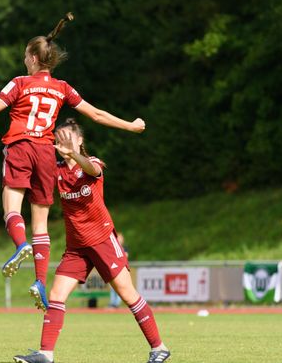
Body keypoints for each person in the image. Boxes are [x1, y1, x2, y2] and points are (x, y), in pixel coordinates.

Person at [0, 13, 145, 312]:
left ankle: (19, 244)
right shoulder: (63, 88)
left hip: (20, 147)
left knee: (11, 210)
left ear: (33, 58)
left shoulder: (19, 83)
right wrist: (130, 125)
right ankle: (39, 280)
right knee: (41, 224)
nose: (24, 59)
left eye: (26, 55)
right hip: (46, 154)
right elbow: (97, 115)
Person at [13, 119, 170, 363]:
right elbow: (34, 172)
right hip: (76, 247)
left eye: (68, 138)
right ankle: (45, 354)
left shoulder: (92, 163)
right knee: (56, 295)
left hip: (102, 240)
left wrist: (73, 154)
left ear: (80, 141)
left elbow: (92, 169)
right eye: (59, 139)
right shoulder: (56, 170)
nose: (62, 143)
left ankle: (159, 347)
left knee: (128, 294)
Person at [109, 232, 128, 308]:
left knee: (121, 287)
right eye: (118, 238)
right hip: (114, 269)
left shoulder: (125, 248)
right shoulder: (112, 247)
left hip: (122, 269)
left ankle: (117, 303)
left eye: (121, 238)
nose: (119, 239)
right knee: (113, 287)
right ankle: (112, 303)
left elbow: (125, 256)